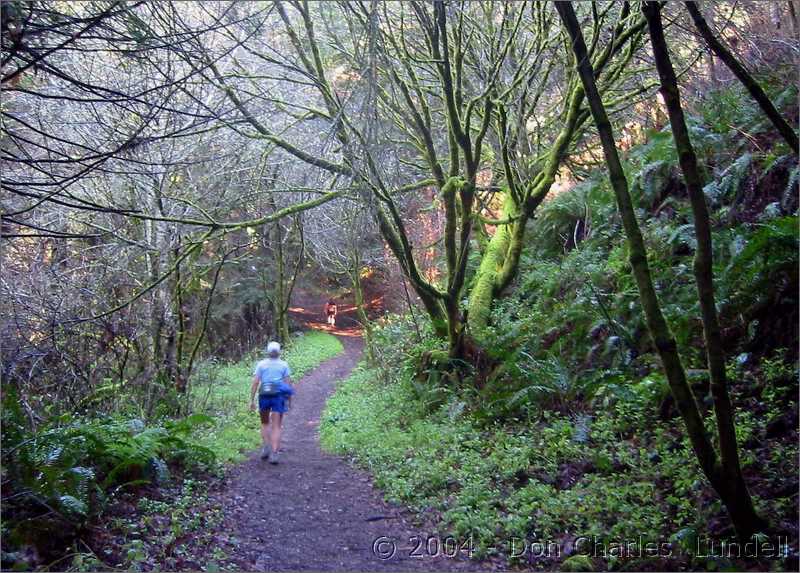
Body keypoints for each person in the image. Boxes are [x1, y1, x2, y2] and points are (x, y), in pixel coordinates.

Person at [250, 341, 294, 464]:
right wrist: (289, 401)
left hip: (264, 394)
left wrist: (251, 400)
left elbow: (255, 383)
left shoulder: (261, 364)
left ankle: (266, 447)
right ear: (279, 352)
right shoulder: (284, 365)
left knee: (264, 423)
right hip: (278, 396)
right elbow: (288, 384)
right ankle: (274, 453)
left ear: (268, 352)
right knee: (277, 425)